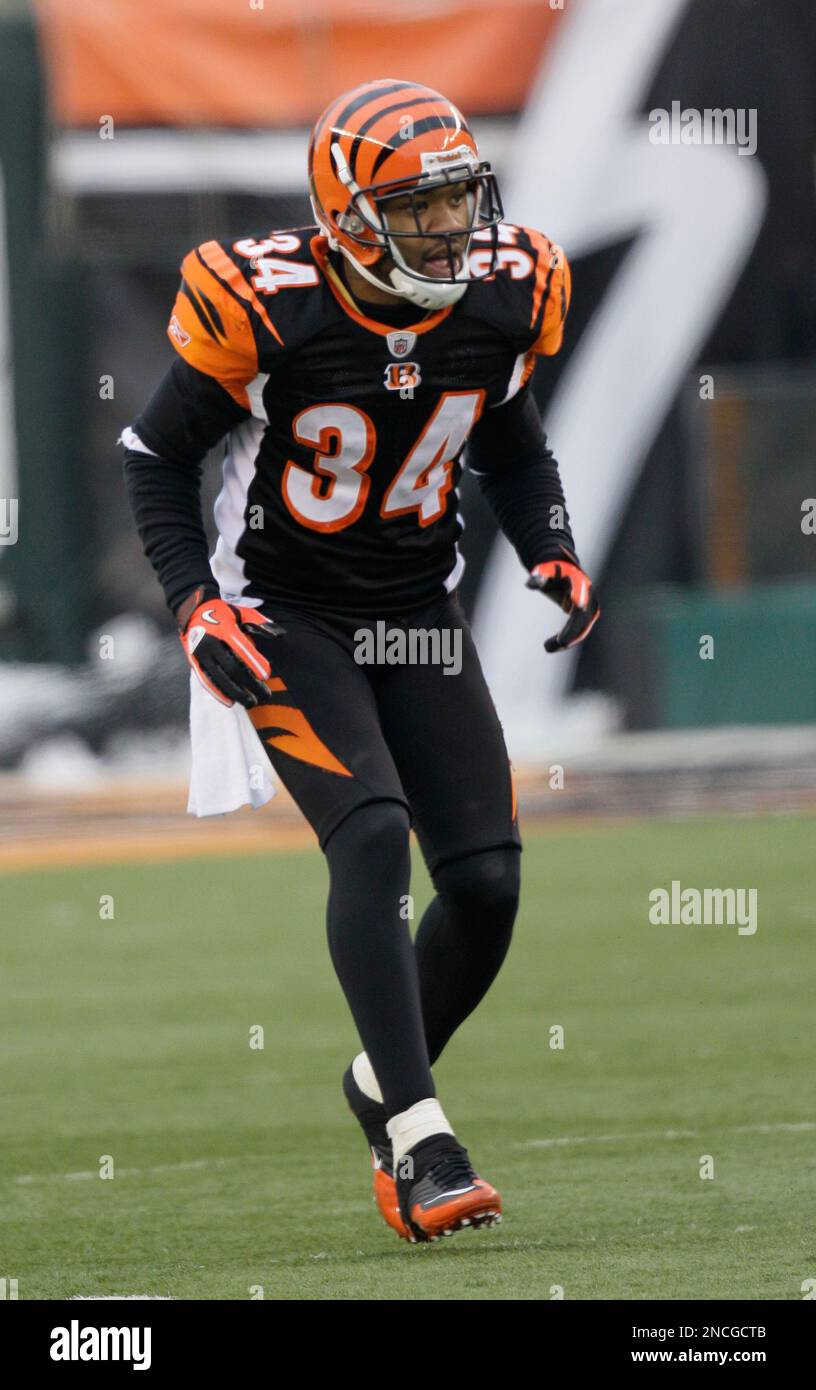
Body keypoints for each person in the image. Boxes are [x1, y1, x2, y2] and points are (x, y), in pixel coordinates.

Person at [122, 77, 599, 1245]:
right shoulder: (271, 308)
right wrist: (193, 606)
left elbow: (512, 442)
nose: (450, 228)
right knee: (374, 833)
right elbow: (153, 455)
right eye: (419, 206)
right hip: (280, 606)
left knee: (486, 883)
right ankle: (422, 1139)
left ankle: (380, 1078)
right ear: (347, 215)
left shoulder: (500, 296)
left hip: (414, 606)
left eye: (457, 199)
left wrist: (551, 546)